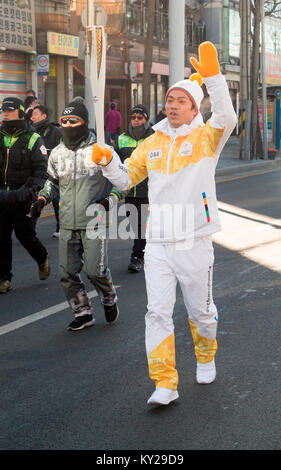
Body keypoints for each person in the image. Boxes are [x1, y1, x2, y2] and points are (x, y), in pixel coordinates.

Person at [91, 42, 237, 406]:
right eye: (169, 100)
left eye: (180, 101)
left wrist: (215, 79)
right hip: (158, 241)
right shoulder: (152, 144)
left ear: (194, 107)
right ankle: (165, 383)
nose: (172, 105)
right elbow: (126, 180)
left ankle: (205, 355)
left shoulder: (207, 138)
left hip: (194, 240)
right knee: (156, 312)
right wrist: (108, 160)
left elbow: (228, 117)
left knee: (201, 312)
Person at [30, 100, 129, 331]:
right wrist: (41, 200)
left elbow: (121, 183)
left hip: (95, 220)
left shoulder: (100, 150)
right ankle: (83, 313)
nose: (68, 125)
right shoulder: (57, 153)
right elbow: (52, 182)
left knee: (95, 270)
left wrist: (110, 200)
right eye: (64, 121)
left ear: (84, 123)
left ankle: (109, 296)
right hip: (67, 222)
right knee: (67, 273)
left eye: (73, 121)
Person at [0, 97, 50, 294]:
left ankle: (42, 257)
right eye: (3, 109)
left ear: (20, 113)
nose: (5, 112)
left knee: (25, 235)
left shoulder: (33, 138)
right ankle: (4, 278)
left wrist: (28, 192)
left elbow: (41, 172)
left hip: (23, 199)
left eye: (9, 109)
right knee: (1, 238)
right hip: (1, 197)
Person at [116, 104, 154, 272]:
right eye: (133, 117)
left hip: (149, 190)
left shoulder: (155, 137)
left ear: (146, 119)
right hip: (130, 190)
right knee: (134, 225)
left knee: (142, 226)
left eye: (140, 117)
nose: (136, 120)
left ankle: (137, 256)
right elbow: (116, 163)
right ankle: (146, 252)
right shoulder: (122, 138)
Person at [31, 105, 62, 237]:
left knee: (56, 201)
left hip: (52, 173)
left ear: (44, 116)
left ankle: (61, 227)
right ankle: (29, 229)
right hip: (37, 173)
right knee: (34, 200)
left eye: (35, 114)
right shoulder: (30, 132)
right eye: (31, 114)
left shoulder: (55, 131)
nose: (32, 117)